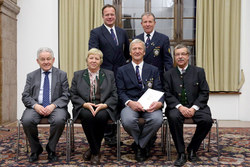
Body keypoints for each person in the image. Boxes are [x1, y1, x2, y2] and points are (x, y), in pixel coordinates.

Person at [163, 44, 213, 166]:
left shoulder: (199, 71)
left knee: (207, 120)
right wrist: (180, 107)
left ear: (188, 56)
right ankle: (181, 153)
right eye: (177, 54)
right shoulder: (168, 74)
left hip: (197, 107)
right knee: (174, 118)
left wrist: (194, 108)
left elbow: (204, 92)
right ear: (174, 57)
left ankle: (192, 149)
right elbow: (167, 94)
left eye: (183, 54)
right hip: (176, 107)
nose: (180, 57)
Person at [88, 4, 130, 146]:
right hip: (104, 74)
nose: (110, 16)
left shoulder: (122, 32)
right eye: (107, 14)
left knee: (118, 102)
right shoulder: (96, 32)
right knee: (105, 102)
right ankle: (107, 136)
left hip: (120, 73)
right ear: (103, 16)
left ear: (115, 16)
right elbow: (93, 53)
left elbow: (126, 54)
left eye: (112, 14)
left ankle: (114, 136)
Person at [116, 39, 163, 162]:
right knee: (127, 121)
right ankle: (145, 143)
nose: (137, 51)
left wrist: (159, 103)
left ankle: (140, 146)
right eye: (134, 49)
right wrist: (130, 103)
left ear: (144, 52)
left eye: (139, 49)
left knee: (157, 119)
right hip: (130, 104)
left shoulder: (153, 69)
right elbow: (120, 92)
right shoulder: (121, 70)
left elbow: (159, 89)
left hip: (150, 105)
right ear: (130, 52)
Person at [70, 48, 118, 165]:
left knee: (101, 116)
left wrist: (104, 105)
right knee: (88, 116)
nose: (93, 61)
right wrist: (84, 104)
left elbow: (114, 95)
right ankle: (96, 152)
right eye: (91, 58)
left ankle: (92, 149)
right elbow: (73, 94)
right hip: (84, 106)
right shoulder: (78, 75)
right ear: (87, 60)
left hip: (103, 106)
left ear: (100, 61)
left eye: (97, 58)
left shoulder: (109, 75)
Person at [21, 47, 70, 163]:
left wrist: (53, 105)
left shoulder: (61, 75)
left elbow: (66, 95)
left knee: (59, 120)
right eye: (42, 59)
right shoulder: (31, 76)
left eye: (48, 59)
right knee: (27, 120)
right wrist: (35, 105)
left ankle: (51, 148)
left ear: (53, 60)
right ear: (37, 61)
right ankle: (35, 149)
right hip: (36, 106)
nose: (46, 62)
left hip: (55, 107)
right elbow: (25, 95)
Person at [135, 12, 173, 81]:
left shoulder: (163, 39)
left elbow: (168, 61)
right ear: (141, 24)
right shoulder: (136, 39)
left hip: (157, 78)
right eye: (145, 22)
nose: (147, 24)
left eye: (150, 22)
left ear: (154, 23)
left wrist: (169, 79)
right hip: (140, 77)